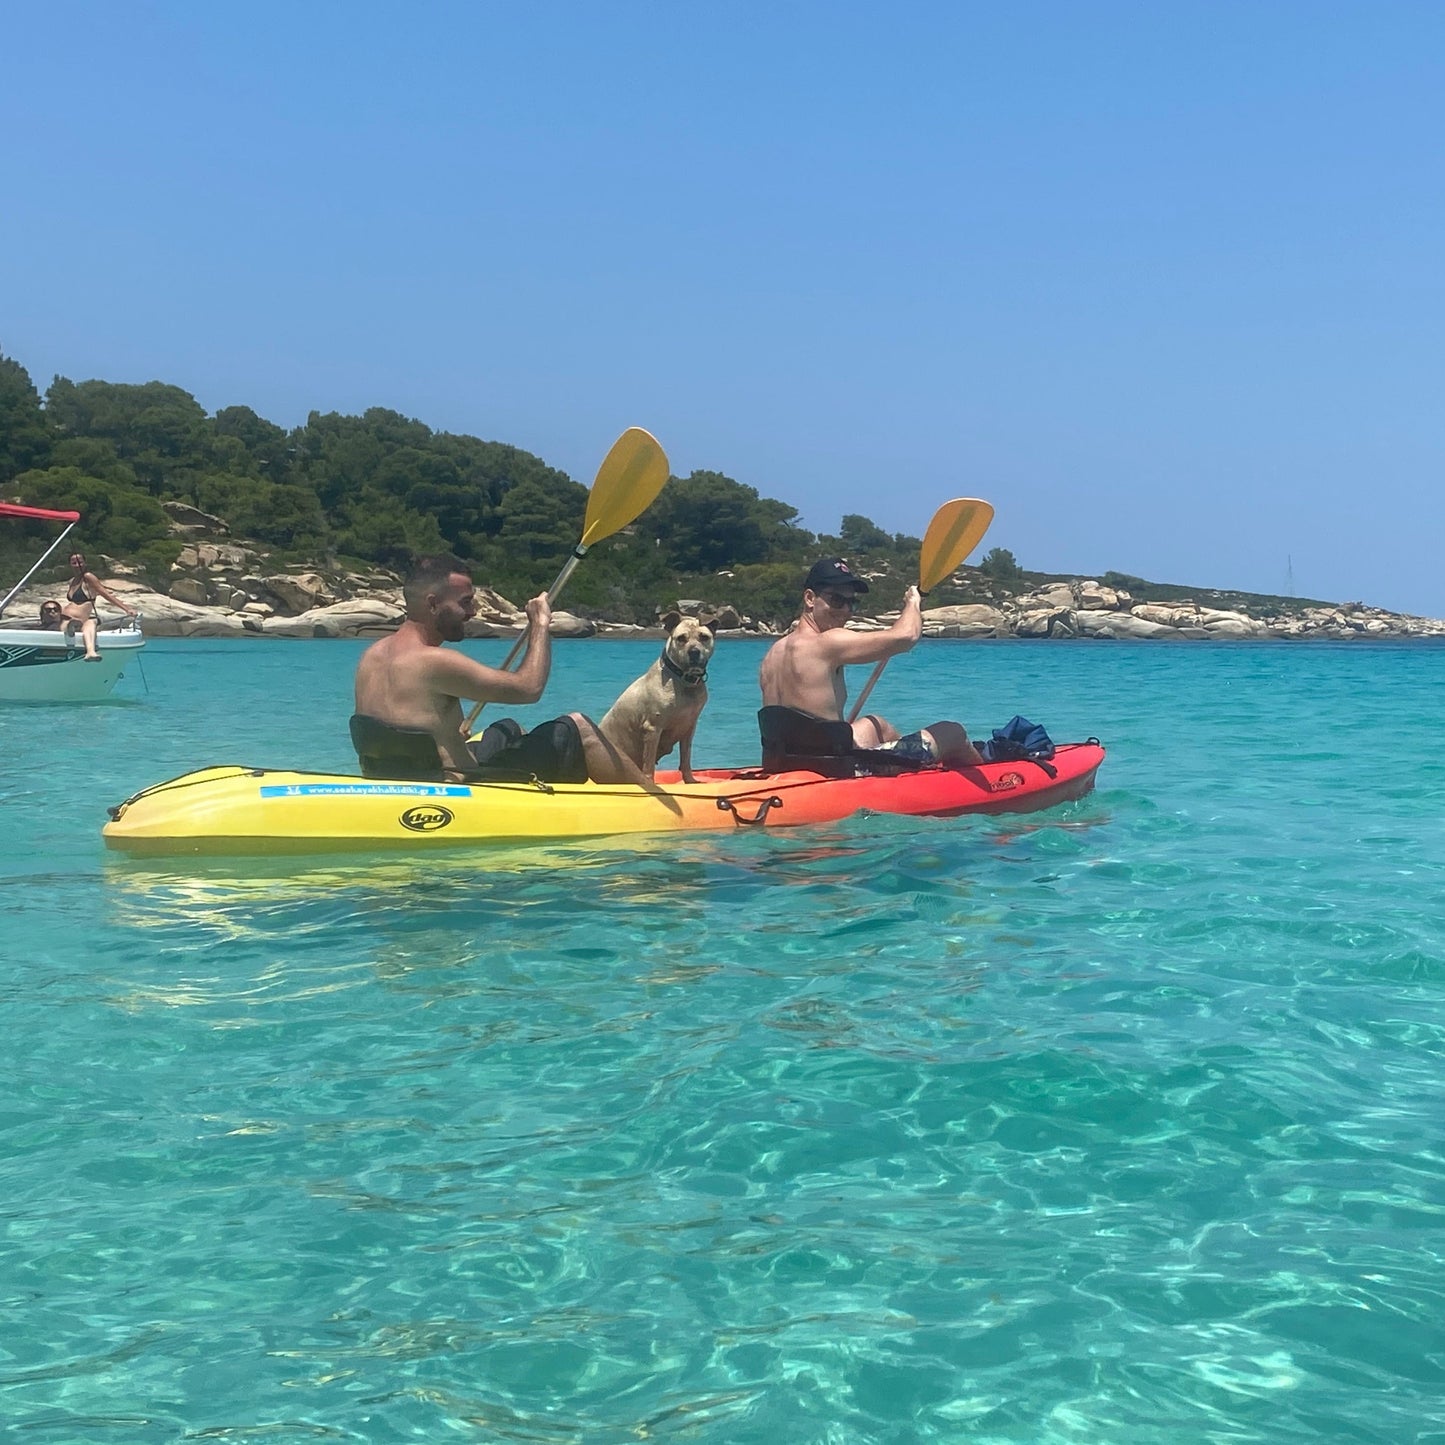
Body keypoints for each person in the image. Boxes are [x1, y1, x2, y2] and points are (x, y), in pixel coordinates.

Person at [353, 554, 653, 785]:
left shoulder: (371, 656)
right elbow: (529, 688)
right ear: (433, 604)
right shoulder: (433, 661)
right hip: (460, 785)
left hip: (396, 777)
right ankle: (651, 798)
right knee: (578, 727)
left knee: (508, 728)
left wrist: (448, 733)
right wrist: (540, 625)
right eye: (465, 603)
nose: (472, 612)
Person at [758, 556, 983, 769]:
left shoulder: (772, 654)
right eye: (837, 600)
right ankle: (994, 781)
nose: (846, 611)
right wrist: (913, 603)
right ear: (809, 598)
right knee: (954, 732)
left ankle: (912, 768)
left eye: (851, 603)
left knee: (876, 723)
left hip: (782, 762)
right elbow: (906, 637)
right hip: (835, 769)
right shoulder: (827, 642)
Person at [62, 552, 138, 660]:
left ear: (85, 563)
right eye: (74, 562)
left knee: (89, 623)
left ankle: (90, 651)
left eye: (80, 562)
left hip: (79, 619)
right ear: (70, 564)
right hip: (66, 618)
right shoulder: (73, 581)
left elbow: (105, 594)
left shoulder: (88, 577)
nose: (77, 565)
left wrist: (126, 609)